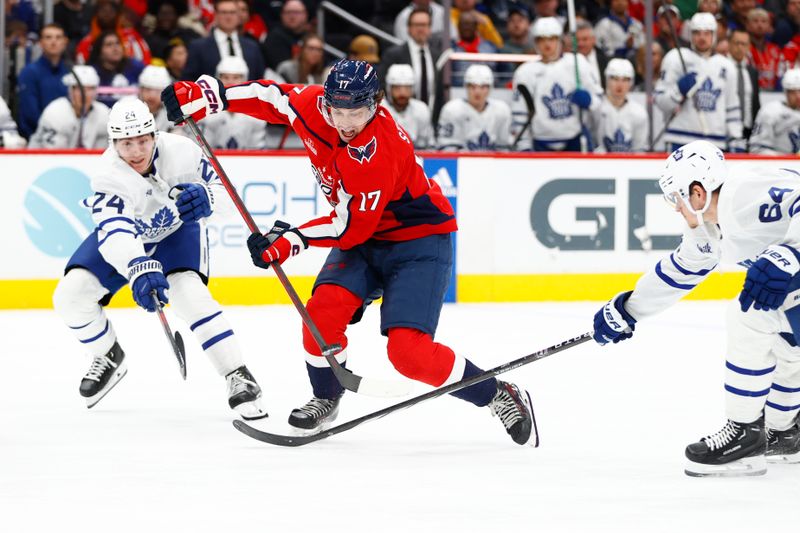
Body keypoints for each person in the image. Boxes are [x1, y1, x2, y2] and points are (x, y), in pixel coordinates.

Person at [162, 58, 537, 444]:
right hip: (364, 239)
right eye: (336, 110)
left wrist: (291, 239)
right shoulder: (316, 107)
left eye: (355, 112)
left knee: (409, 354)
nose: (344, 122)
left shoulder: (378, 151)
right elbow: (272, 97)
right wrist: (212, 96)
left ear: (374, 105)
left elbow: (349, 228)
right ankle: (326, 397)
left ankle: (496, 394)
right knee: (321, 315)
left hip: (418, 241)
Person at [592, 140, 800, 476]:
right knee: (783, 333)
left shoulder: (742, 194)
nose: (676, 207)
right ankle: (785, 432)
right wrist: (628, 309)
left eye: (676, 197)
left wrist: (792, 253)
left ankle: (744, 434)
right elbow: (683, 267)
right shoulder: (713, 225)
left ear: (697, 192)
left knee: (749, 313)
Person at [51, 97, 267, 419]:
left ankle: (237, 374)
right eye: (126, 143)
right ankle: (107, 354)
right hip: (129, 238)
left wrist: (207, 198)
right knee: (70, 295)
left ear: (154, 135)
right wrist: (138, 268)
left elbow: (228, 193)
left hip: (177, 233)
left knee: (190, 297)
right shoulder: (108, 175)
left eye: (142, 140)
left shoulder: (184, 151)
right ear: (113, 143)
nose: (136, 151)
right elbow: (116, 233)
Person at [654, 12, 744, 152]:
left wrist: (736, 140)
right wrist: (678, 90)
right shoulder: (675, 58)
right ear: (690, 34)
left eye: (707, 33)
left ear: (714, 35)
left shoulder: (726, 66)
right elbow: (660, 101)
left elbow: (732, 107)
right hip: (679, 139)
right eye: (697, 33)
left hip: (715, 142)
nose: (702, 37)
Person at [512, 17, 602, 152]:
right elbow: (520, 112)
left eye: (552, 38)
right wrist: (523, 146)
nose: (547, 44)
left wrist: (589, 100)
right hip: (540, 142)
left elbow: (599, 100)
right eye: (541, 39)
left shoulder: (577, 63)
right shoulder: (525, 72)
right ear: (535, 42)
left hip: (576, 139)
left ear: (560, 40)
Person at [29, 66, 110, 149]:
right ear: (70, 90)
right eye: (79, 89)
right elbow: (54, 156)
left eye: (90, 89)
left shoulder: (104, 114)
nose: (84, 95)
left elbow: (103, 154)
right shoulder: (55, 112)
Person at [380, 7, 443, 112]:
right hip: (400, 117)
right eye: (416, 25)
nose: (420, 29)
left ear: (430, 28)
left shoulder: (437, 56)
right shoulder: (393, 54)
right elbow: (382, 86)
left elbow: (439, 93)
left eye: (424, 25)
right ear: (409, 28)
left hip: (430, 118)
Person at [183, 0, 265, 81]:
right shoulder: (198, 47)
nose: (228, 17)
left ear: (239, 15)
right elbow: (189, 80)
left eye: (232, 12)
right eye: (224, 12)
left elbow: (260, 80)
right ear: (215, 15)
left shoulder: (252, 47)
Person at [197, 57, 267, 149]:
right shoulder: (205, 112)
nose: (230, 81)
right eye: (225, 77)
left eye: (236, 77)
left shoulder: (256, 114)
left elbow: (259, 152)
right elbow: (201, 150)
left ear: (244, 80)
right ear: (218, 79)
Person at [437, 64, 511, 151]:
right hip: (462, 162)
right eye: (472, 86)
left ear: (490, 88)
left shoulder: (502, 110)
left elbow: (504, 148)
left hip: (493, 163)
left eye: (483, 87)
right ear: (466, 87)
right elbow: (446, 148)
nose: (477, 92)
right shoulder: (452, 110)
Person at [16, 23, 70, 139]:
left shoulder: (71, 73)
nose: (53, 42)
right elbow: (30, 113)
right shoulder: (29, 72)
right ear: (41, 43)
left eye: (58, 37)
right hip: (37, 139)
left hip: (68, 138)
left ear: (65, 42)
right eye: (48, 37)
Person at [589, 58, 646, 152]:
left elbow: (638, 150)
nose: (620, 84)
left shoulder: (639, 113)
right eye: (615, 79)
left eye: (625, 80)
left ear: (631, 83)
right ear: (607, 80)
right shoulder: (596, 108)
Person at [88, 30, 146, 109]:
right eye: (109, 45)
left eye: (117, 43)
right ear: (99, 51)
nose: (115, 48)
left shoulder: (136, 67)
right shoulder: (91, 73)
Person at [749, 69, 800, 154]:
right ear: (785, 92)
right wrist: (784, 159)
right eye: (792, 92)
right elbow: (757, 149)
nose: (798, 96)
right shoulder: (770, 112)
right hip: (778, 165)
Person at [383, 64, 433, 149]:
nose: (402, 93)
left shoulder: (421, 109)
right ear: (389, 89)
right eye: (397, 88)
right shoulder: (377, 110)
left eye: (407, 88)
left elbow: (428, 146)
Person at [727, 28, 760, 141]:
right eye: (736, 43)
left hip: (748, 130)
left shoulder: (752, 72)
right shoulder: (721, 69)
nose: (740, 47)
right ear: (729, 44)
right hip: (726, 129)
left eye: (744, 44)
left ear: (749, 47)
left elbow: (755, 103)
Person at [261, 0, 308, 70]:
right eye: (288, 12)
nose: (292, 16)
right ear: (281, 15)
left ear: (305, 15)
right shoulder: (274, 37)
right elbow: (283, 69)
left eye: (296, 12)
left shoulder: (309, 36)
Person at [138, 65, 173, 131]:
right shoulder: (129, 108)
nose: (152, 96)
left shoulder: (173, 114)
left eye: (157, 91)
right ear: (141, 90)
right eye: (148, 89)